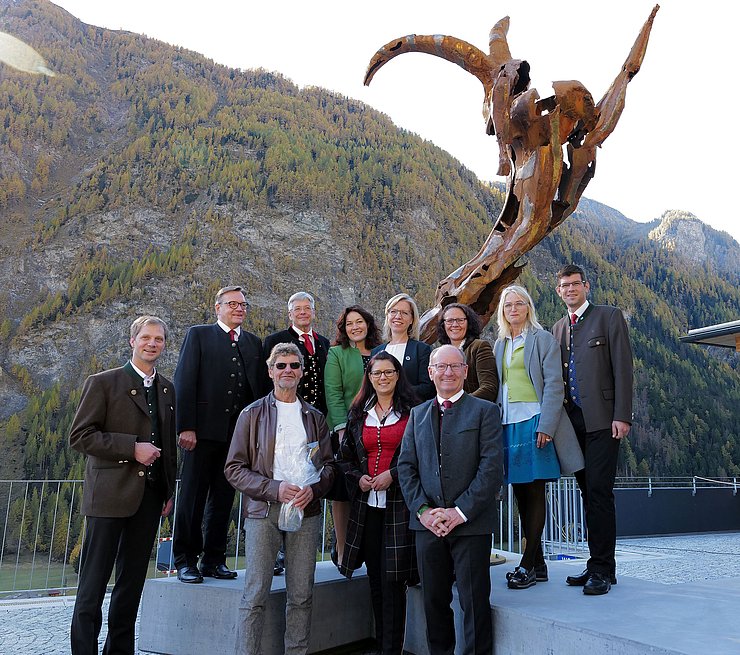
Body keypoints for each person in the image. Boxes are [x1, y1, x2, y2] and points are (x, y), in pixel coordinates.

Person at [69, 316, 177, 655]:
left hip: (149, 499)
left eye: (158, 339)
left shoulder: (167, 388)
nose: (152, 344)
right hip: (108, 498)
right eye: (146, 337)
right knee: (93, 585)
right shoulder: (103, 382)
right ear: (132, 341)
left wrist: (168, 491)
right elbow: (80, 437)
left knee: (131, 586)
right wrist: (131, 448)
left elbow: (168, 444)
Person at [224, 342, 336, 655]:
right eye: (281, 365)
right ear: (271, 371)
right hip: (264, 511)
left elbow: (329, 467)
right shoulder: (251, 414)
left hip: (307, 511)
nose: (288, 371)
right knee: (255, 593)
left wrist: (313, 491)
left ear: (302, 372)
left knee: (301, 594)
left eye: (294, 366)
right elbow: (233, 469)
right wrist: (275, 488)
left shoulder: (314, 417)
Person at [398, 345, 503, 655]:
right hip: (428, 527)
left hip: (470, 525)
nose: (448, 372)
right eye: (440, 367)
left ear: (465, 371)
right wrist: (424, 512)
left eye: (455, 366)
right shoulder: (417, 415)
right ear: (430, 372)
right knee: (433, 603)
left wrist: (459, 512)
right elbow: (406, 467)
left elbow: (491, 468)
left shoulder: (486, 411)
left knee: (474, 604)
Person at [493, 285, 584, 590]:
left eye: (519, 303)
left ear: (529, 308)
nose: (514, 309)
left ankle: (526, 564)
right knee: (520, 494)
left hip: (535, 421)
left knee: (535, 492)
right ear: (502, 312)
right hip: (509, 422)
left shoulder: (543, 340)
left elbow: (555, 386)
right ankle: (540, 564)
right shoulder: (500, 345)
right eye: (508, 305)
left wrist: (546, 424)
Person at [173, 285, 264, 583]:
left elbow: (257, 391)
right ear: (218, 307)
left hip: (236, 437)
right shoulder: (199, 334)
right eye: (233, 304)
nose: (239, 309)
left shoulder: (252, 342)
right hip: (200, 434)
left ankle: (214, 559)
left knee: (224, 499)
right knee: (192, 498)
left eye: (243, 304)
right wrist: (186, 426)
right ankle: (185, 560)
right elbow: (184, 380)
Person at [552, 264, 633, 596]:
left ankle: (603, 568)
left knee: (599, 492)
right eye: (563, 286)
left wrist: (622, 415)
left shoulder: (609, 317)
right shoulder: (558, 328)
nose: (570, 289)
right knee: (588, 493)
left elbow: (624, 369)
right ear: (558, 292)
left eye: (575, 284)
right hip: (571, 425)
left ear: (586, 285)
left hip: (603, 420)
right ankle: (597, 563)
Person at [339, 352, 419, 655]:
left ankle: (391, 650)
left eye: (388, 372)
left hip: (400, 506)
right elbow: (343, 458)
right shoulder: (359, 412)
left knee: (394, 580)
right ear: (369, 378)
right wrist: (359, 477)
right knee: (375, 577)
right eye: (376, 373)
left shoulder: (414, 412)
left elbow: (423, 457)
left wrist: (394, 474)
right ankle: (383, 646)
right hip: (367, 508)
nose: (382, 378)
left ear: (398, 375)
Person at [324, 305, 382, 567]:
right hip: (348, 429)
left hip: (378, 427)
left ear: (368, 324)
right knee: (343, 487)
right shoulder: (337, 353)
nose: (355, 327)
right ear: (343, 329)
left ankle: (367, 545)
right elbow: (333, 392)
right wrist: (340, 427)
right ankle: (342, 546)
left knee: (371, 485)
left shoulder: (382, 352)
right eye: (349, 324)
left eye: (359, 322)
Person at [263, 292, 331, 415]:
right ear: (290, 315)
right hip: (284, 410)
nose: (303, 312)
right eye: (297, 309)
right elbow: (265, 378)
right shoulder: (274, 340)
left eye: (307, 308)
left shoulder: (323, 342)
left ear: (313, 313)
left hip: (319, 413)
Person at [372, 293, 434, 401]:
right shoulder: (376, 352)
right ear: (387, 316)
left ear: (411, 319)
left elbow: (428, 388)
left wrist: (397, 392)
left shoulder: (421, 350)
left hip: (411, 412)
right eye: (393, 311)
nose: (398, 316)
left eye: (404, 313)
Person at [437, 302, 498, 402]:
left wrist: (459, 403)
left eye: (460, 320)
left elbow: (489, 388)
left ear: (468, 323)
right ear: (443, 325)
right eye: (450, 321)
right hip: (446, 413)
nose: (455, 325)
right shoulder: (440, 353)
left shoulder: (479, 347)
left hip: (475, 413)